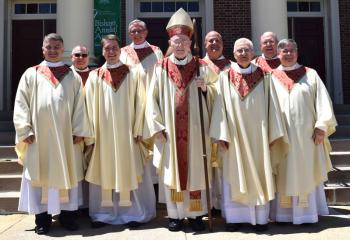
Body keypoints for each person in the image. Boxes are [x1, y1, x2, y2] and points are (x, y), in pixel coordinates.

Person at [144, 8, 217, 232]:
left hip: (196, 131)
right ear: (170, 42)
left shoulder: (202, 67)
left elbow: (219, 95)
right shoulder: (160, 68)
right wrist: (156, 127)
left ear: (190, 42)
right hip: (170, 131)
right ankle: (175, 215)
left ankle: (196, 214)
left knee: (196, 170)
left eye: (184, 40)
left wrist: (207, 90)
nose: (180, 45)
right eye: (176, 41)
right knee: (172, 171)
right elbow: (151, 99)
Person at [13, 33, 90, 234]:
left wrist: (79, 129)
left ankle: (67, 217)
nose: (53, 50)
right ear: (43, 49)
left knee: (67, 175)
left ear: (62, 50)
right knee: (40, 176)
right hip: (38, 138)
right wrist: (24, 129)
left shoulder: (72, 75)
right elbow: (21, 103)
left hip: (66, 138)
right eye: (49, 46)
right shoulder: (32, 73)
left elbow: (80, 105)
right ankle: (42, 218)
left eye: (57, 47)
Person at [210, 38, 287, 232]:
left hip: (259, 139)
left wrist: (273, 134)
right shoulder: (225, 77)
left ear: (253, 53)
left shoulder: (265, 77)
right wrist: (221, 134)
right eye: (239, 51)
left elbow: (273, 107)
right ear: (234, 54)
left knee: (260, 174)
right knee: (233, 175)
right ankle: (234, 219)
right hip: (233, 138)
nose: (243, 53)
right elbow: (219, 107)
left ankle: (260, 219)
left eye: (246, 50)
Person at [84, 34, 155, 228]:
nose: (111, 52)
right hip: (103, 135)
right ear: (103, 51)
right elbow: (89, 107)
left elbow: (142, 103)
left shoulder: (134, 73)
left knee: (130, 170)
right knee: (103, 171)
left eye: (115, 48)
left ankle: (134, 214)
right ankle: (102, 214)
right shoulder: (95, 75)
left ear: (121, 50)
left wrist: (139, 128)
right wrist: (91, 135)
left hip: (129, 134)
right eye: (107, 48)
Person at [270, 39, 337, 224]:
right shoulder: (271, 77)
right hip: (281, 137)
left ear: (297, 53)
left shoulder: (310, 74)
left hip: (307, 137)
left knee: (307, 170)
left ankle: (307, 214)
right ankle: (283, 215)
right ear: (278, 54)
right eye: (284, 51)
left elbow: (323, 101)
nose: (288, 54)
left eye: (292, 51)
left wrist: (321, 127)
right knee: (283, 171)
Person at [120, 19, 164, 193]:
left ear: (146, 33)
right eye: (133, 31)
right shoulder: (122, 52)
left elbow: (161, 79)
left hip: (152, 106)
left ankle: (153, 187)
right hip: (131, 108)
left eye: (140, 31)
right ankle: (139, 189)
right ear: (129, 33)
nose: (136, 34)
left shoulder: (156, 52)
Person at [202, 30, 231, 213]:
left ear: (222, 43)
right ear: (205, 44)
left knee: (223, 164)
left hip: (227, 124)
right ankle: (208, 203)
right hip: (203, 121)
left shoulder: (232, 66)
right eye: (210, 40)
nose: (214, 43)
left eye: (217, 40)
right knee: (205, 164)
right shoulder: (197, 65)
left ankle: (223, 203)